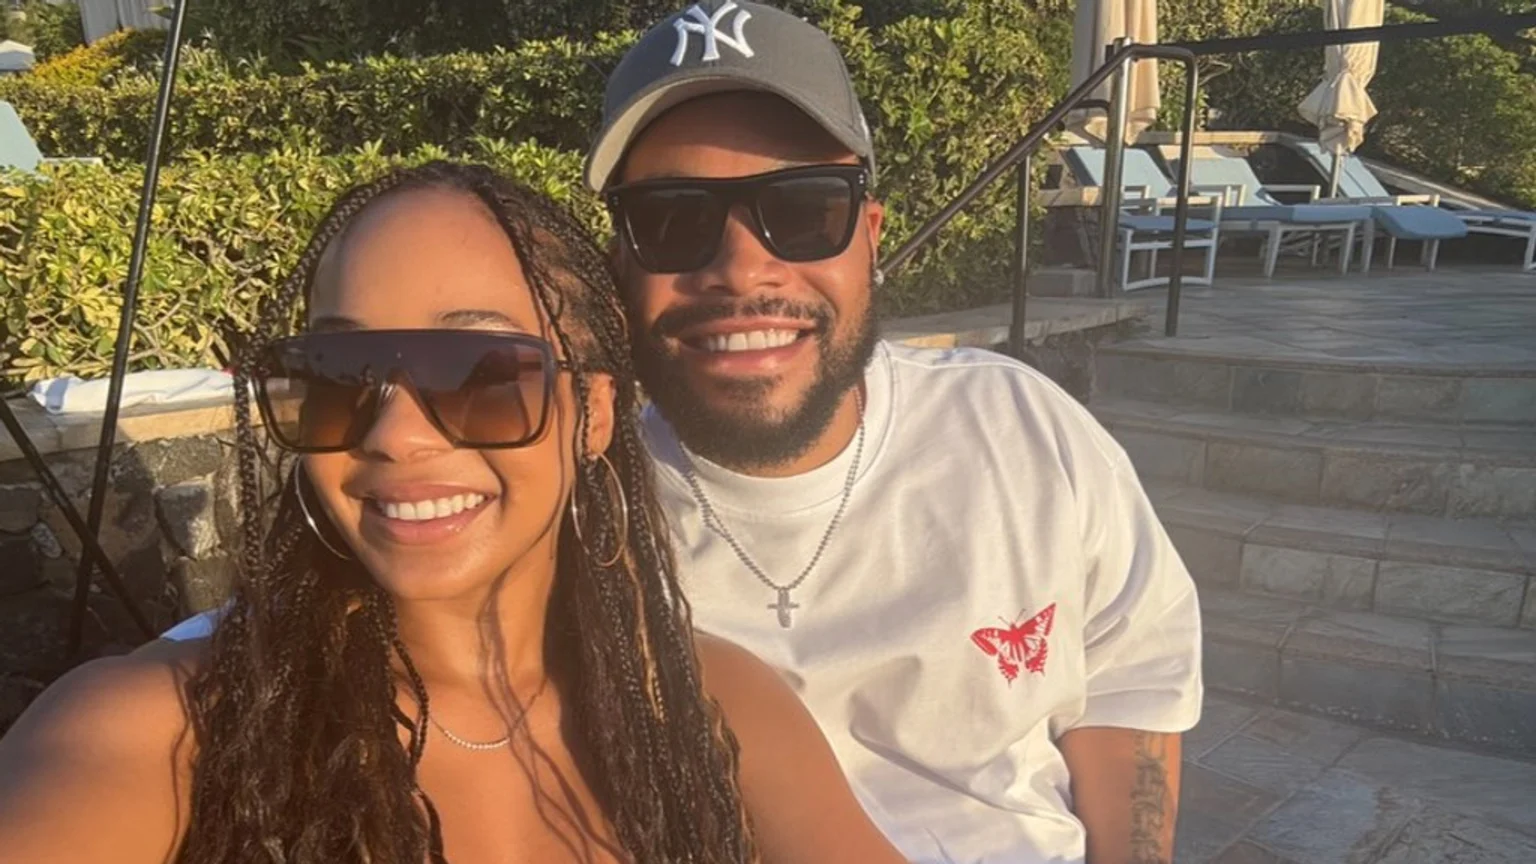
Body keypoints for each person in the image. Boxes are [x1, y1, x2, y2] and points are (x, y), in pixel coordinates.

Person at [0, 162, 907, 864]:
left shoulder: (714, 707)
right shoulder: (157, 732)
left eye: (478, 375)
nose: (393, 434)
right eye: (337, 377)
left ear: (590, 413)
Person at [587, 3, 1204, 863]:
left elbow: (1128, 681)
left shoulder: (1019, 430)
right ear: (619, 262)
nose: (739, 269)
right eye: (671, 218)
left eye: (802, 210)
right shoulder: (585, 514)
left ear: (869, 239)